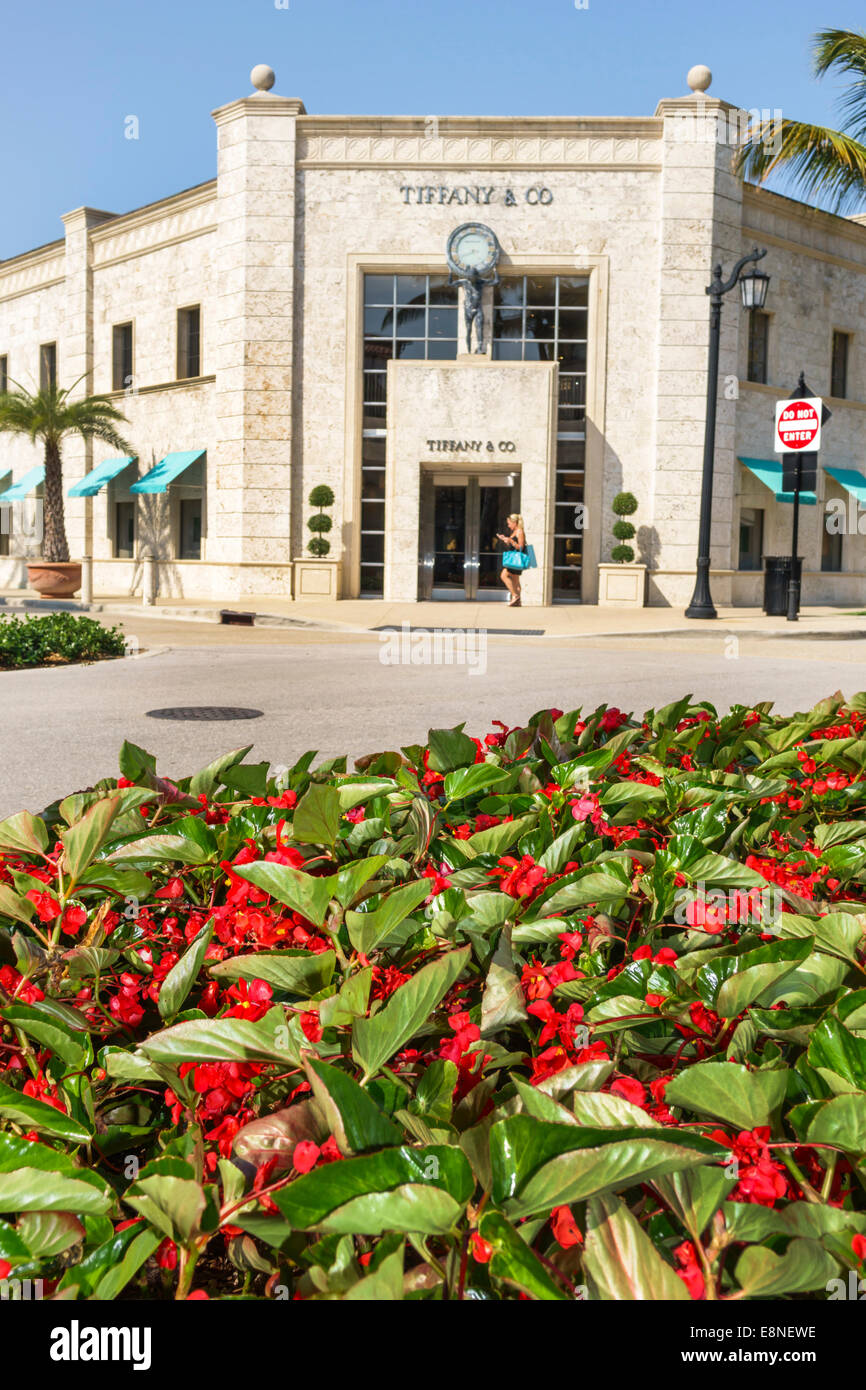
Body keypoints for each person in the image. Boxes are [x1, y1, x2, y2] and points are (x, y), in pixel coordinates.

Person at [496, 513, 527, 607]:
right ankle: (518, 601)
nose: (508, 526)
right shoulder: (514, 531)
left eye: (509, 523)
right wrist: (506, 540)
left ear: (515, 522)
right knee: (515, 580)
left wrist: (511, 541)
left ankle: (515, 596)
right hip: (513, 559)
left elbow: (521, 547)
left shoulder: (520, 532)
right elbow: (513, 545)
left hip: (516, 559)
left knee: (504, 575)